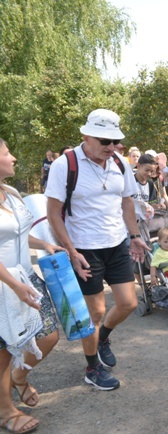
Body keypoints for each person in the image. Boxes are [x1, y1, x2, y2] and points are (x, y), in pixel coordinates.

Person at [45, 109, 149, 391]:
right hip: (84, 249)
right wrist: (70, 251)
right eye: (104, 141)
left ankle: (103, 337)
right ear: (86, 136)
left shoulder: (119, 163)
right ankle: (92, 368)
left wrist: (135, 235)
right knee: (95, 312)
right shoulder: (65, 165)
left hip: (116, 244)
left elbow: (127, 201)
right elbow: (54, 213)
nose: (111, 147)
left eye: (114, 141)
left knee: (128, 303)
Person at [0, 138, 61, 433]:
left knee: (48, 336)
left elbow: (21, 234)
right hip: (4, 284)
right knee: (4, 351)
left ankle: (20, 378)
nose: (13, 158)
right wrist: (13, 285)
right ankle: (5, 411)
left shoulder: (11, 194)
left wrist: (46, 244)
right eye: (7, 153)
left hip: (26, 278)